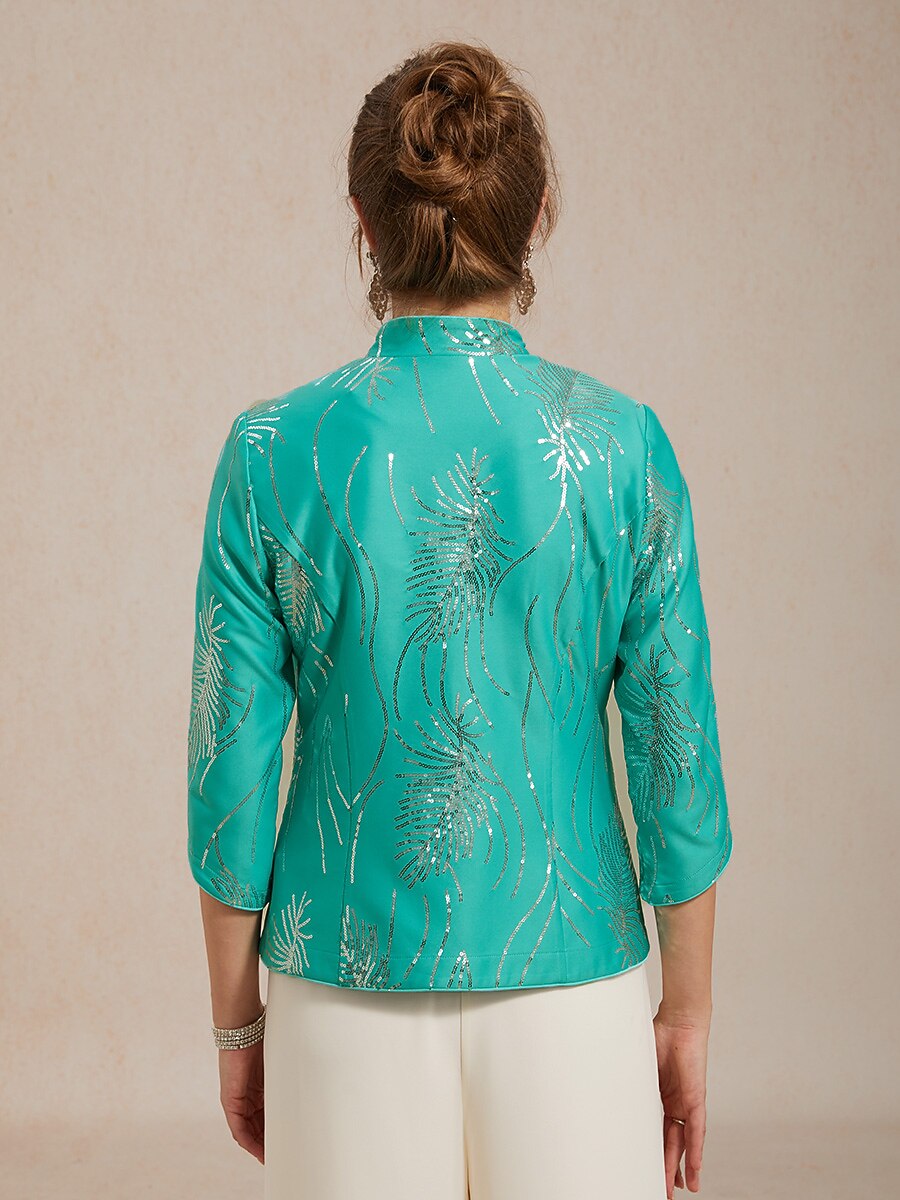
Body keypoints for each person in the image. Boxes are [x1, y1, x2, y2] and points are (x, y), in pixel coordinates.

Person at [187, 39, 733, 1200]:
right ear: (535, 221)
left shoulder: (271, 453)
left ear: (363, 225)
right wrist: (685, 1014)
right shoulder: (623, 448)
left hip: (342, 991)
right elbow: (675, 760)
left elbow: (230, 775)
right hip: (574, 986)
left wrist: (238, 1027)